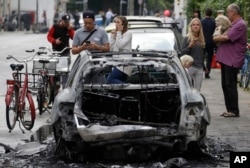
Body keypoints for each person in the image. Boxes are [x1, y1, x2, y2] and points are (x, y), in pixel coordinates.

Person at [213, 3, 247, 117]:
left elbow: (226, 37)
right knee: (225, 84)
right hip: (227, 58)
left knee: (230, 84)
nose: (227, 14)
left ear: (233, 12)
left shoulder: (240, 24)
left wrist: (215, 38)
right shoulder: (233, 24)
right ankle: (229, 109)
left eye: (228, 12)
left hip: (232, 59)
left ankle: (234, 110)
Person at [71, 10, 110, 84]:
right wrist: (82, 48)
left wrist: (97, 47)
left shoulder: (102, 31)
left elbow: (107, 48)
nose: (88, 25)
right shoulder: (78, 32)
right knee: (83, 87)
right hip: (84, 63)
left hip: (99, 63)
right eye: (85, 23)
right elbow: (73, 51)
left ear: (94, 21)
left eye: (90, 23)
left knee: (100, 87)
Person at [47, 14, 75, 87]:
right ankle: (56, 86)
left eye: (67, 22)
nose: (66, 23)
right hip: (56, 52)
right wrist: (54, 41)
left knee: (64, 71)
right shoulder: (55, 27)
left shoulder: (68, 28)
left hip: (66, 52)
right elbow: (49, 36)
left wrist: (70, 29)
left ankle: (65, 87)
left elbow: (73, 37)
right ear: (61, 20)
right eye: (65, 22)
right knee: (55, 70)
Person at [181, 18, 206, 91]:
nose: (196, 26)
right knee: (188, 89)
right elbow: (182, 52)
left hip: (199, 67)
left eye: (198, 25)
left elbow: (202, 54)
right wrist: (190, 46)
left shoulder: (202, 38)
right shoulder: (187, 38)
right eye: (194, 25)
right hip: (190, 67)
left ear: (200, 27)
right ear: (191, 27)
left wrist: (204, 66)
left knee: (197, 89)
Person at [106, 16, 132, 84]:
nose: (116, 24)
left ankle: (131, 88)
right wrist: (112, 37)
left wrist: (119, 32)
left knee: (110, 81)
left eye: (118, 22)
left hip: (123, 64)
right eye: (115, 22)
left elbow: (120, 45)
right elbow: (111, 49)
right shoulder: (117, 34)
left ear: (123, 24)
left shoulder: (128, 34)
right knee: (117, 87)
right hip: (116, 63)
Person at [201, 8, 216, 79]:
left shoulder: (202, 22)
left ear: (205, 13)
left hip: (203, 41)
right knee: (209, 58)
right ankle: (207, 72)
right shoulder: (213, 22)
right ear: (211, 14)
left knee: (201, 56)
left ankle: (204, 68)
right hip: (211, 42)